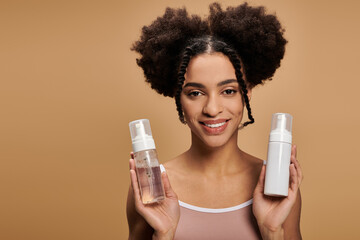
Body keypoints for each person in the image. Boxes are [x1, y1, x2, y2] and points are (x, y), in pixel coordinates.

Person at [127, 2, 303, 239]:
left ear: (246, 92)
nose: (212, 109)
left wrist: (272, 231)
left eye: (228, 91)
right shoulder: (151, 187)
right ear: (178, 97)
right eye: (195, 93)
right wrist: (165, 233)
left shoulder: (277, 185)